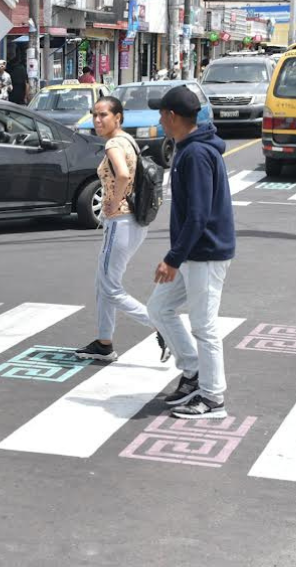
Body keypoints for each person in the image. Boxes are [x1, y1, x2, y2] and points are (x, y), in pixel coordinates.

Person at [147, 85, 236, 420]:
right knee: (159, 307)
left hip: (206, 253)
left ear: (172, 116)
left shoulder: (196, 154)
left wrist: (173, 258)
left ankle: (213, 399)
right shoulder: (189, 147)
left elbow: (198, 215)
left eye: (161, 113)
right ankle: (192, 372)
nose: (159, 119)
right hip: (193, 252)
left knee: (204, 326)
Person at [75, 97, 168, 363]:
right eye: (94, 115)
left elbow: (124, 174)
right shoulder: (127, 140)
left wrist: (110, 207)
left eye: (103, 115)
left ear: (118, 117)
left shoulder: (114, 144)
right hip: (133, 223)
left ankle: (161, 328)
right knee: (104, 283)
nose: (97, 120)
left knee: (110, 287)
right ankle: (104, 343)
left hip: (120, 222)